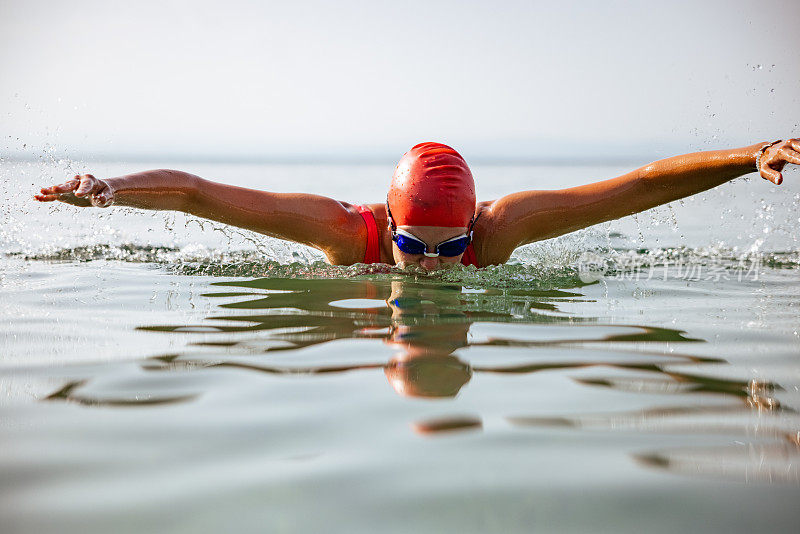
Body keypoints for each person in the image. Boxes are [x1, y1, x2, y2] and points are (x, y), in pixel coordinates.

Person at [34, 139, 800, 270]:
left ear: (472, 224)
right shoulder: (342, 234)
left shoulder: (500, 234)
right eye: (415, 249)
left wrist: (747, 155)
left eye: (448, 248)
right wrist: (112, 190)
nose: (434, 267)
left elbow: (637, 185)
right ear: (389, 226)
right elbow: (201, 194)